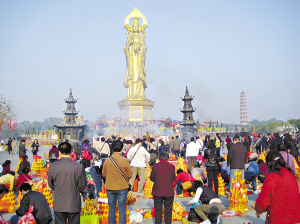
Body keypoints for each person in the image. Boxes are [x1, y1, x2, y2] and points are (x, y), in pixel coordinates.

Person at [255, 150, 300, 224]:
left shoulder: (272, 177)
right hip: (294, 217)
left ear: (269, 163)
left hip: (279, 218)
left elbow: (263, 201)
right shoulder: (290, 175)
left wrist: (258, 210)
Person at [48, 141, 87, 224]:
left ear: (59, 152)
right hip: (73, 202)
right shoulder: (78, 167)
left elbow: (50, 184)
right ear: (70, 151)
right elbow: (82, 185)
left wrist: (58, 188)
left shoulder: (53, 166)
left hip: (59, 202)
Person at [102, 140, 133, 224]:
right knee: (122, 208)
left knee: (111, 208)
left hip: (110, 187)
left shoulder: (107, 160)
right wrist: (124, 180)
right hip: (122, 187)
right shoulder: (124, 160)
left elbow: (103, 174)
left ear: (112, 149)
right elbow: (130, 174)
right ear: (121, 149)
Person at [123, 17, 147, 99]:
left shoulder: (141, 37)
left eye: (137, 26)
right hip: (132, 60)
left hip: (139, 60)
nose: (135, 27)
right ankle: (131, 93)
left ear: (139, 27)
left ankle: (140, 93)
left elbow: (144, 47)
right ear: (131, 27)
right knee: (132, 76)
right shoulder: (130, 37)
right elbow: (126, 48)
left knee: (139, 76)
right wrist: (131, 48)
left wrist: (140, 48)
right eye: (134, 26)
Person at [150, 152, 176, 224]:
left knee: (158, 210)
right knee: (168, 210)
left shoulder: (155, 166)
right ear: (167, 158)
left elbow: (151, 178)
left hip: (157, 191)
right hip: (168, 191)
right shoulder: (172, 167)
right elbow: (174, 178)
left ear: (158, 158)